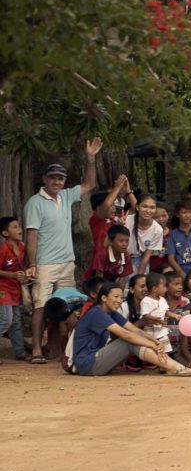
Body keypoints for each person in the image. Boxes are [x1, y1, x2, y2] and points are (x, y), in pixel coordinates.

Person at [24, 137, 103, 363]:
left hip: (66, 262)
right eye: (53, 178)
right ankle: (38, 350)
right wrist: (32, 263)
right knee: (41, 306)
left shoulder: (67, 196)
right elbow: (32, 235)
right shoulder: (35, 202)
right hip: (44, 263)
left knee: (64, 308)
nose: (57, 182)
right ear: (45, 179)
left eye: (60, 178)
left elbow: (89, 185)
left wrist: (90, 159)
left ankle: (58, 348)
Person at [69, 283, 191, 376]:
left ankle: (171, 366)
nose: (119, 301)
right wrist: (152, 345)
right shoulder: (96, 313)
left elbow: (135, 330)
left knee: (138, 338)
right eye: (116, 297)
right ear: (104, 298)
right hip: (87, 364)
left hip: (95, 361)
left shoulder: (111, 312)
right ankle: (173, 367)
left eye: (121, 297)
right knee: (129, 341)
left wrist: (155, 341)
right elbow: (126, 335)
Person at [0, 216, 28, 362]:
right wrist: (12, 274)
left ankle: (20, 351)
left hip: (15, 289)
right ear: (5, 233)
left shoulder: (22, 247)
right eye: (15, 227)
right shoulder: (3, 249)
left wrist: (24, 275)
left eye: (19, 226)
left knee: (16, 322)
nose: (19, 229)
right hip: (3, 289)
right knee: (6, 319)